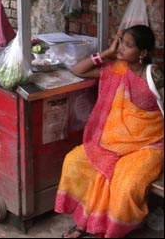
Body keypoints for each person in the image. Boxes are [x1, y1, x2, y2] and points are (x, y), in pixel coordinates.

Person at [55, 25, 164, 238]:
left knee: (126, 184)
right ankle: (84, 221)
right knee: (74, 161)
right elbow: (78, 70)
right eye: (121, 42)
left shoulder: (154, 75)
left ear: (142, 53)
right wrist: (106, 53)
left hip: (148, 144)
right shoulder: (117, 68)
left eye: (128, 45)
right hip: (112, 142)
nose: (122, 48)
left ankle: (112, 229)